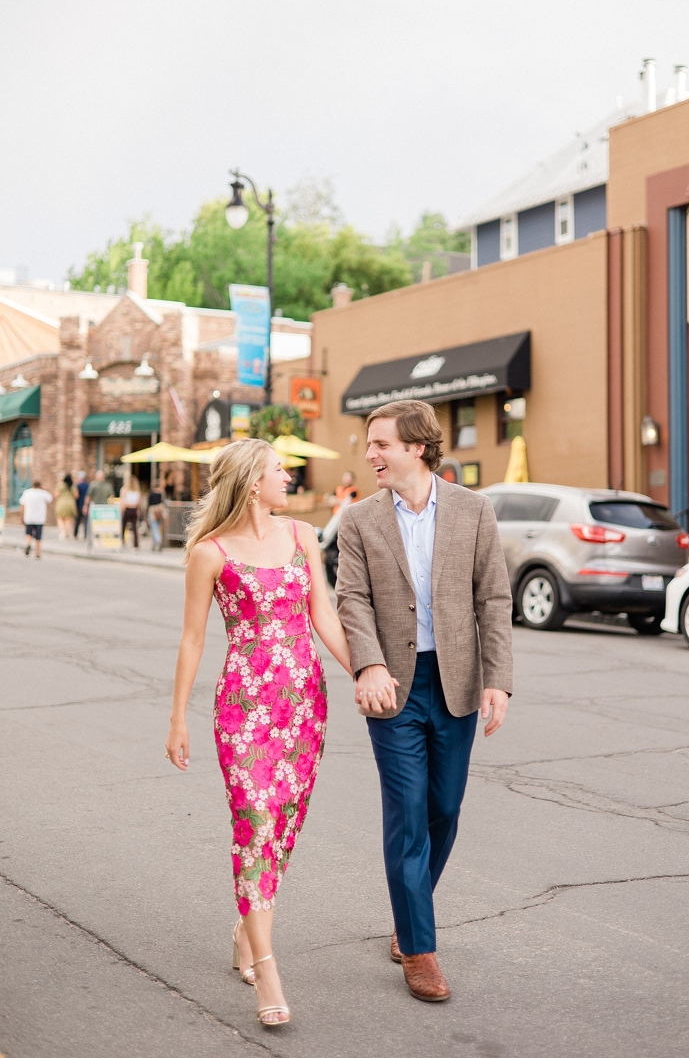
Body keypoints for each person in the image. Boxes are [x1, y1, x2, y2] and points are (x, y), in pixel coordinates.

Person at [165, 439, 352, 1028]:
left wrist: (369, 673)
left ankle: (248, 926)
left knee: (285, 824)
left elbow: (323, 615)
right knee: (256, 821)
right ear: (251, 481)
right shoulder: (210, 553)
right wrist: (177, 718)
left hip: (303, 706)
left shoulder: (302, 538)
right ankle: (267, 968)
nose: (289, 478)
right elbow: (193, 638)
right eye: (279, 470)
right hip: (243, 709)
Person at [336, 399, 513, 1004]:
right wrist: (369, 663)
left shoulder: (474, 511)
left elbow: (493, 598)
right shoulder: (360, 520)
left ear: (416, 447)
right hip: (393, 687)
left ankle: (409, 913)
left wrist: (497, 679)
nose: (370, 454)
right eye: (369, 443)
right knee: (407, 814)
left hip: (457, 681)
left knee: (444, 808)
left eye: (380, 444)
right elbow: (351, 599)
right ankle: (419, 947)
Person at [19, 480, 53, 558]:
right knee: (38, 536)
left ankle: (28, 544)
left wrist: (21, 516)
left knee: (28, 533)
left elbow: (22, 505)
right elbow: (50, 499)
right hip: (39, 518)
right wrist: (44, 490)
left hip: (29, 517)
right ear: (40, 485)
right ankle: (37, 552)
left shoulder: (27, 493)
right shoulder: (42, 493)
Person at [119, 474, 141, 551]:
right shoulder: (137, 491)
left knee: (123, 526)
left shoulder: (125, 489)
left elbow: (123, 501)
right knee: (134, 527)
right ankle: (135, 544)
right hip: (134, 509)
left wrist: (122, 510)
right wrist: (138, 510)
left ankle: (122, 541)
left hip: (127, 509)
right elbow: (139, 502)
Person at [55, 474, 78, 540]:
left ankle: (63, 532)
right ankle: (66, 534)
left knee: (60, 518)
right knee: (68, 520)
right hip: (71, 503)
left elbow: (56, 495)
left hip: (61, 503)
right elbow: (76, 495)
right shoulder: (73, 486)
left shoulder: (60, 485)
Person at [147, 481, 166, 551]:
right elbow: (163, 502)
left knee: (154, 528)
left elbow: (149, 503)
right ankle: (154, 545)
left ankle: (158, 540)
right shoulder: (161, 493)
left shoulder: (151, 493)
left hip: (152, 511)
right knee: (157, 528)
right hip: (160, 511)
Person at [74, 471, 89, 539]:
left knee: (77, 520)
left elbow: (76, 496)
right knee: (85, 521)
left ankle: (75, 534)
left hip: (79, 505)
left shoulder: (77, 485)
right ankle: (85, 535)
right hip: (86, 505)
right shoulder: (88, 485)